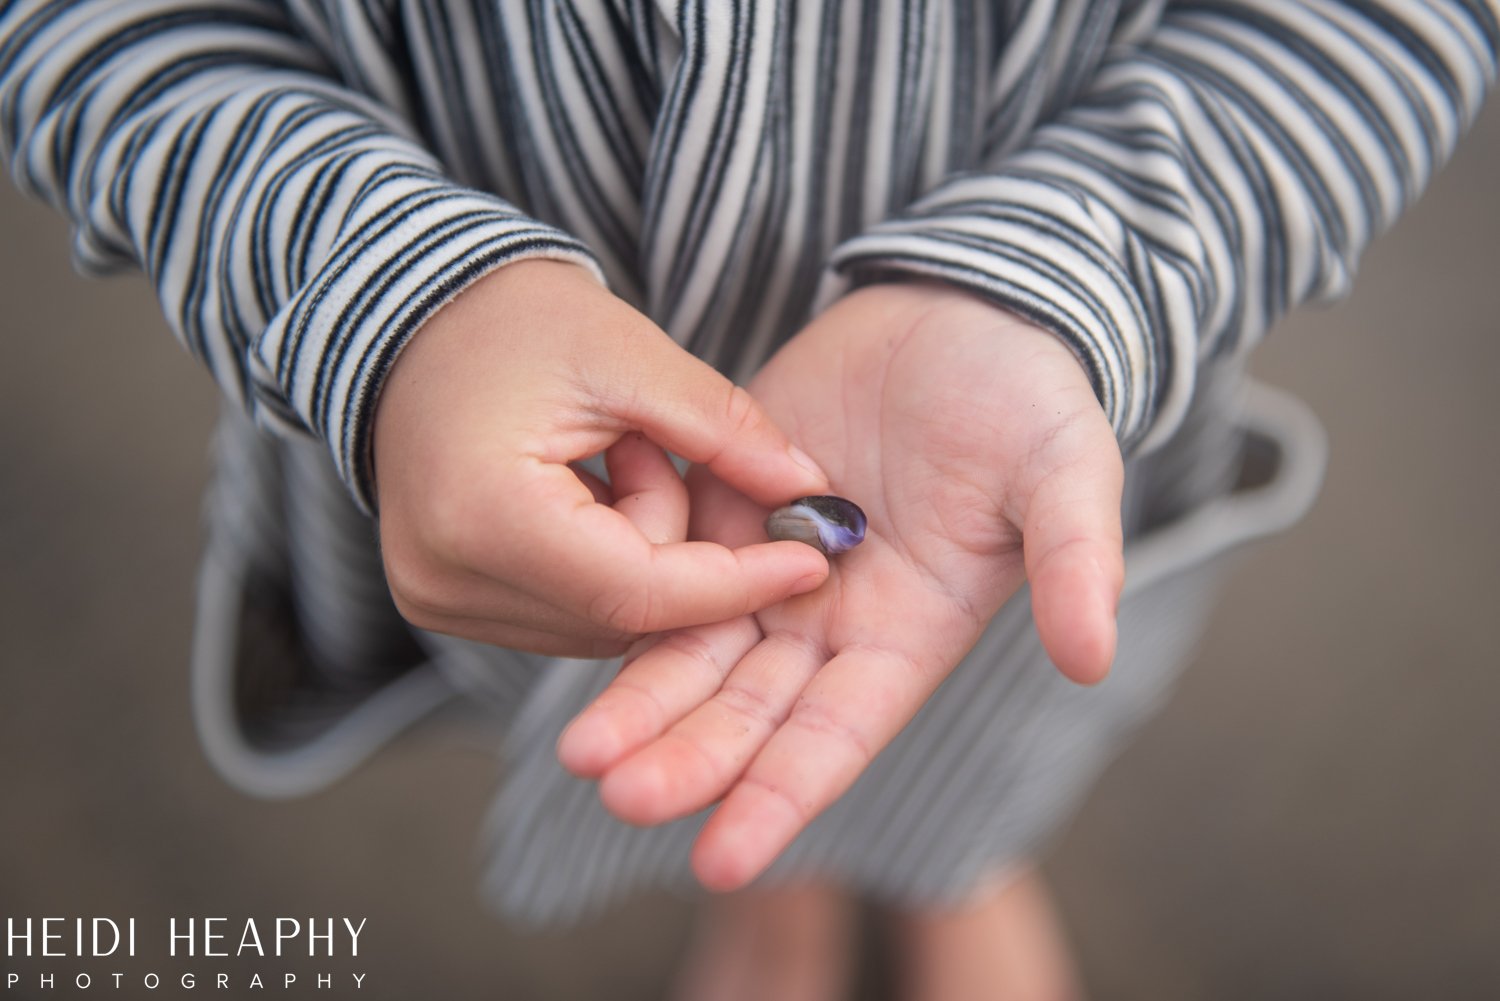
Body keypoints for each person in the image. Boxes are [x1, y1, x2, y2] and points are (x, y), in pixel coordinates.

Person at [2, 1, 1494, 998]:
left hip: (1018, 406)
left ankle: (959, 849)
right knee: (667, 716)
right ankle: (776, 895)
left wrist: (1054, 278)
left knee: (986, 688)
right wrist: (387, 298)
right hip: (504, 439)